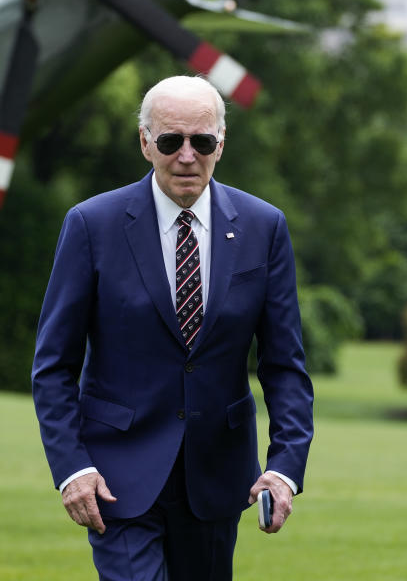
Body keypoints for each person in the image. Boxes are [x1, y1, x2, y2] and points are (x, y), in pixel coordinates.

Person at [31, 75, 314, 580]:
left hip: (217, 478)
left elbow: (284, 365)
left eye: (201, 141)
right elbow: (53, 366)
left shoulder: (263, 227)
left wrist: (285, 467)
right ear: (145, 142)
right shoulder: (91, 225)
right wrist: (71, 468)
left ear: (221, 145)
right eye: (170, 141)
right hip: (116, 478)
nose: (187, 155)